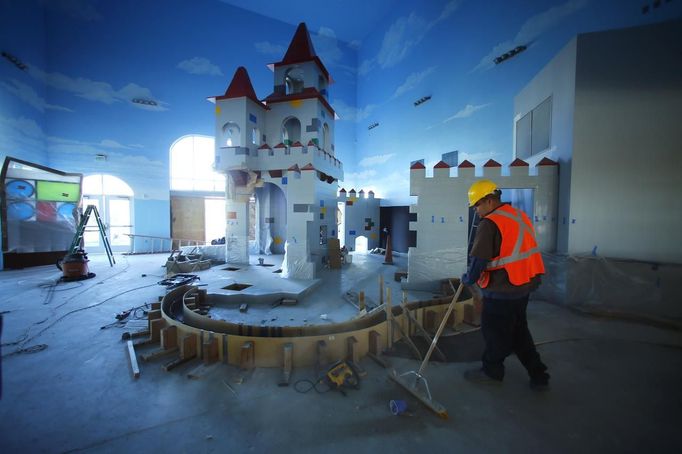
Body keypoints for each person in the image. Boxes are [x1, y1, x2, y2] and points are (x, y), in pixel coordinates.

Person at [461, 179, 550, 390]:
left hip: (502, 288)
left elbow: (479, 260)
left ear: (490, 201)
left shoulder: (490, 223)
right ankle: (539, 374)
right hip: (523, 285)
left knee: (494, 332)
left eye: (478, 205)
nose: (476, 210)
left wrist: (469, 279)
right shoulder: (518, 216)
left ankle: (492, 371)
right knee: (519, 332)